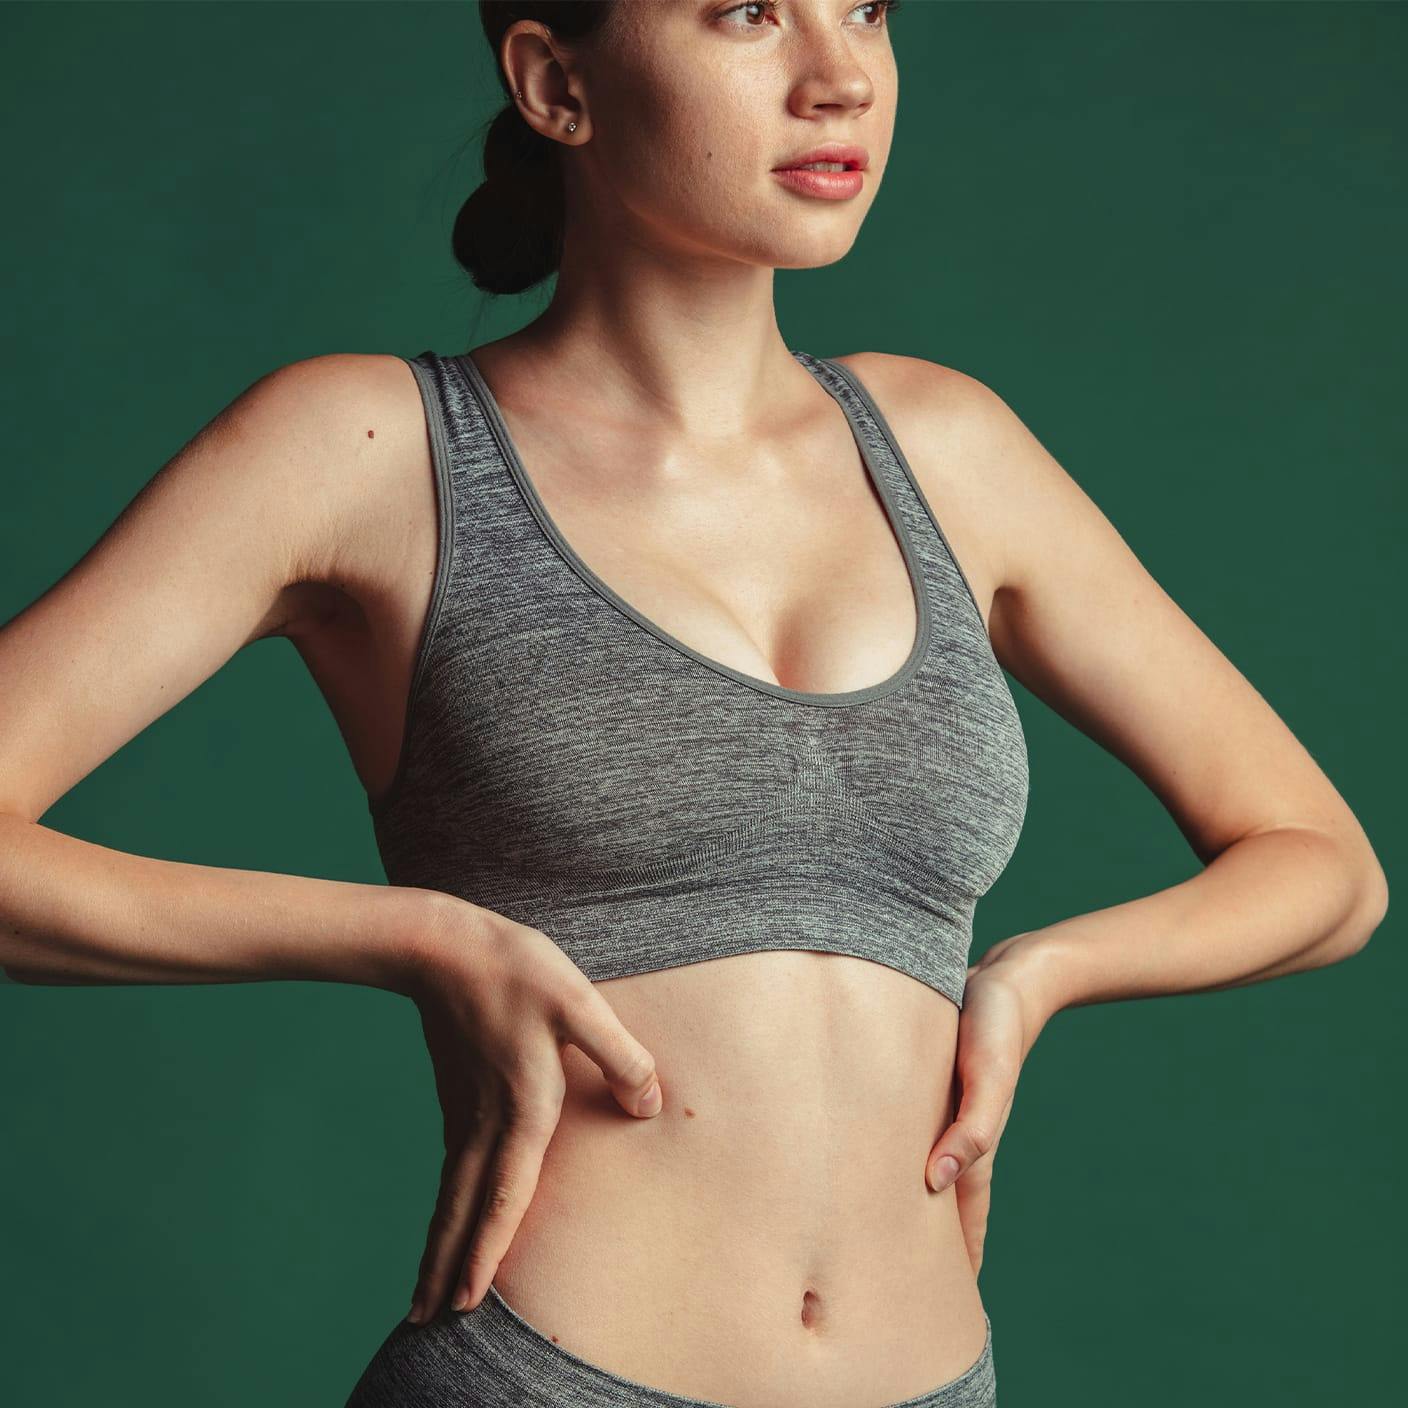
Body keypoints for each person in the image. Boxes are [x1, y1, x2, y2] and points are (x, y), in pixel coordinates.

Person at [0, 2, 1387, 1405]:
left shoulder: (950, 451)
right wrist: (415, 938)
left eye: (867, 10)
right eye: (745, 13)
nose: (839, 78)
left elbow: (1324, 868)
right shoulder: (366, 449)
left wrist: (1036, 979)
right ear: (555, 82)